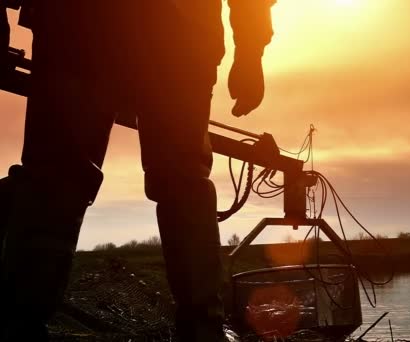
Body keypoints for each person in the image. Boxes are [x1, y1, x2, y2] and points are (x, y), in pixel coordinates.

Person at [0, 0, 275, 340]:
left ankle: (19, 324)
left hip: (86, 28)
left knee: (58, 179)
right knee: (181, 181)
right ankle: (204, 328)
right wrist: (250, 47)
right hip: (165, 33)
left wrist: (251, 48)